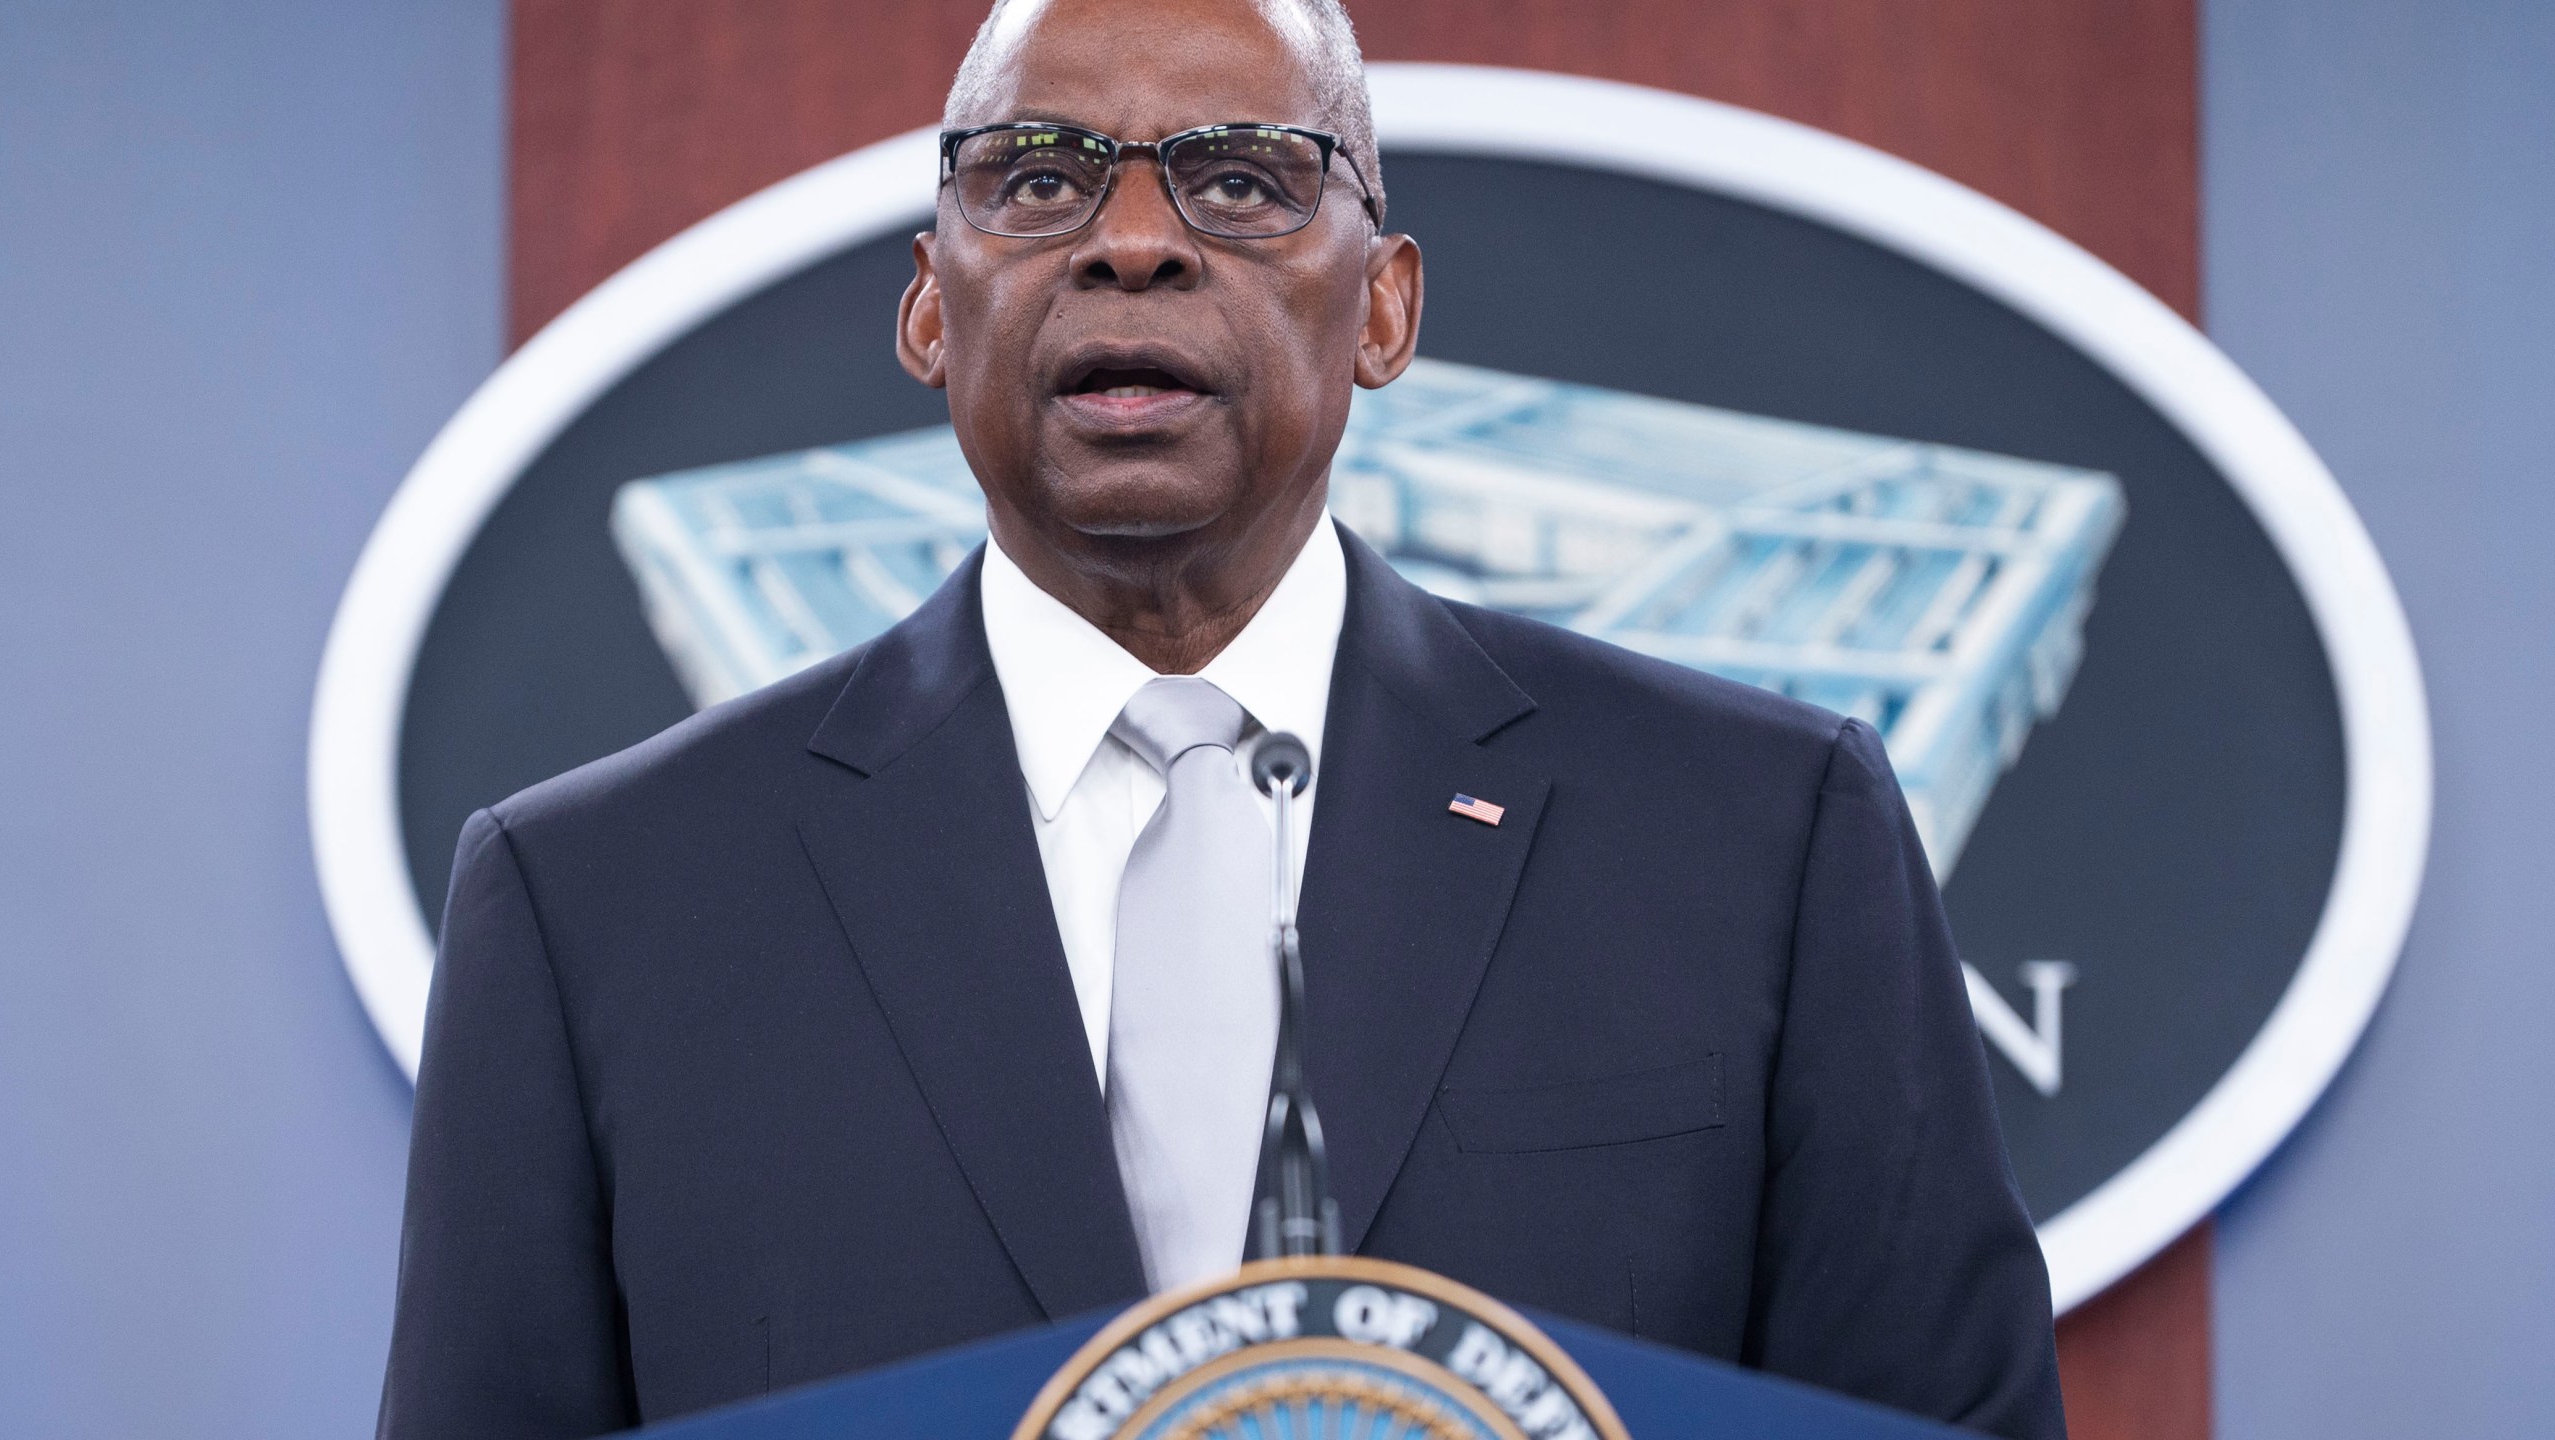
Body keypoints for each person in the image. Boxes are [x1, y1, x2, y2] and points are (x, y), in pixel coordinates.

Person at [377, 1, 2066, 1436]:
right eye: (1036, 180)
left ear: (1387, 306)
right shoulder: (595, 906)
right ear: (925, 304)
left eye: (1243, 180)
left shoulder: (1761, 838)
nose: (1130, 238)